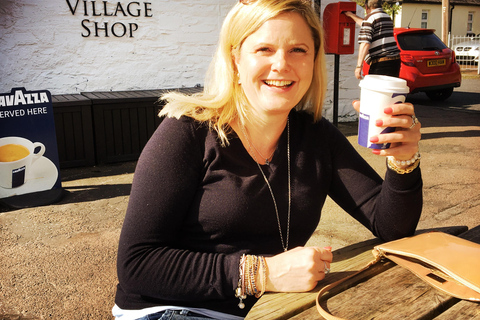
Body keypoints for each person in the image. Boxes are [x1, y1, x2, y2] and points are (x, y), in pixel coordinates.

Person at [113, 0, 422, 319]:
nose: (281, 65)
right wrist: (263, 273)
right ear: (235, 60)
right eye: (264, 49)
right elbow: (137, 264)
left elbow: (392, 226)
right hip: (172, 308)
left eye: (298, 50)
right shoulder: (187, 131)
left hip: (269, 308)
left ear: (314, 60)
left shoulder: (317, 137)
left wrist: (404, 160)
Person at [344, 0, 401, 79]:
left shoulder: (370, 19)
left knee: (376, 89)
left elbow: (365, 43)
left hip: (381, 63)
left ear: (367, 7)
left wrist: (358, 66)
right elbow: (367, 24)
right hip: (395, 61)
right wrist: (351, 15)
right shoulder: (386, 16)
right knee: (388, 90)